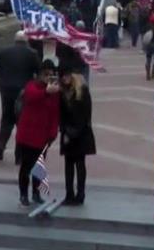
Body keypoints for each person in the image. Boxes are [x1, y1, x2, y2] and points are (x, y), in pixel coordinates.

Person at [0, 31, 40, 162]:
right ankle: (19, 154)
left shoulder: (5, 51)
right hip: (23, 91)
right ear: (26, 41)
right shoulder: (32, 54)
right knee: (22, 122)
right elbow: (39, 71)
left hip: (6, 89)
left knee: (7, 118)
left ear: (15, 40)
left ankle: (0, 146)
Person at [15, 60, 61, 206]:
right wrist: (46, 92)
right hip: (27, 135)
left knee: (39, 167)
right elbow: (32, 97)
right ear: (39, 75)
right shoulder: (32, 86)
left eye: (51, 74)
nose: (48, 77)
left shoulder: (55, 92)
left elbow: (55, 113)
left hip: (43, 137)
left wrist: (53, 132)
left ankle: (36, 193)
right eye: (46, 74)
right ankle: (23, 194)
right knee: (26, 166)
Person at [58, 69, 95, 206]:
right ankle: (69, 194)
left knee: (80, 164)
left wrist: (73, 133)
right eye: (62, 76)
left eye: (67, 75)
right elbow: (60, 115)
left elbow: (86, 115)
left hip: (81, 133)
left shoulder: (82, 91)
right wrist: (65, 131)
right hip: (67, 133)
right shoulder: (61, 92)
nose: (64, 78)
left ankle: (80, 194)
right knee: (68, 165)